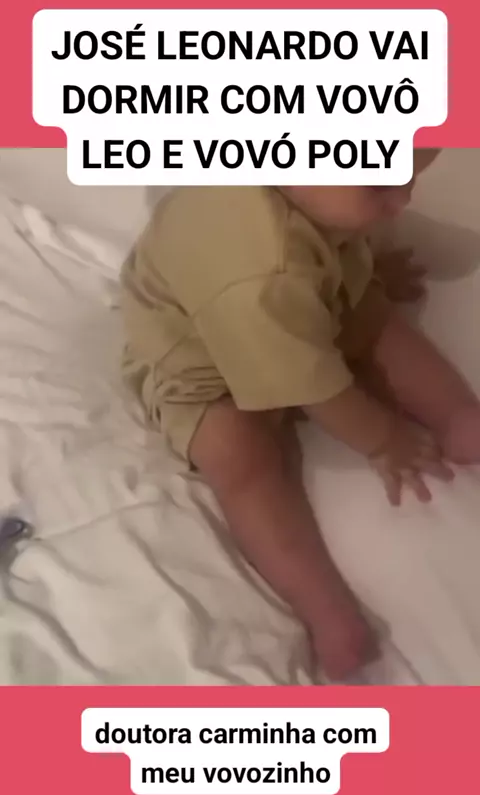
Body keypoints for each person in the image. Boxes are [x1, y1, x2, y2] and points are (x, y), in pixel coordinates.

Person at [121, 150, 480, 681]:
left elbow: (332, 236)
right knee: (237, 457)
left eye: (410, 178)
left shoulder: (309, 196)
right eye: (380, 187)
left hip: (302, 287)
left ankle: (458, 414)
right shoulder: (259, 271)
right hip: (198, 358)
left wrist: (365, 259)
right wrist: (384, 440)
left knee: (376, 321)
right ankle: (323, 609)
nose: (403, 202)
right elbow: (313, 387)